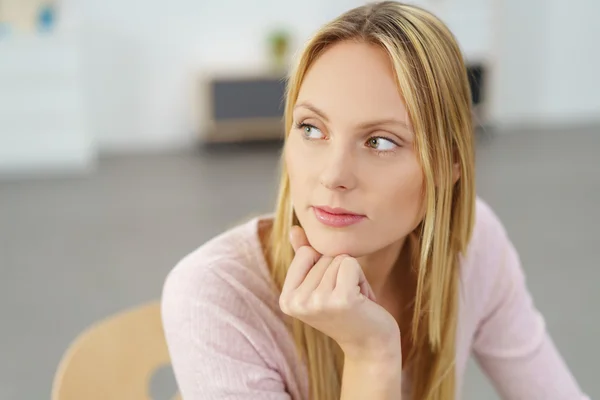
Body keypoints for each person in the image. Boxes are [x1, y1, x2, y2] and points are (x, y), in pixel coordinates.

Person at [161, 2, 589, 399]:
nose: (333, 176)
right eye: (311, 128)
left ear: (448, 166)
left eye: (380, 141)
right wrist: (371, 353)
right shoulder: (214, 294)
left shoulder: (474, 244)